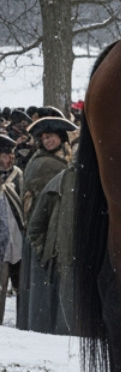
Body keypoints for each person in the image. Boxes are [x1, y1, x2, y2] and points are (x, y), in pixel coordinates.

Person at [20, 110, 74, 334]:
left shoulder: (64, 161)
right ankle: (46, 327)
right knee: (45, 285)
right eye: (44, 138)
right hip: (45, 232)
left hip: (59, 228)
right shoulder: (42, 163)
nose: (48, 140)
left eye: (51, 136)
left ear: (61, 138)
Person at [0, 135, 23, 325]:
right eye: (7, 153)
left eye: (12, 153)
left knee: (21, 287)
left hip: (17, 238)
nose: (11, 157)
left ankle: (23, 323)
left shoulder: (18, 175)